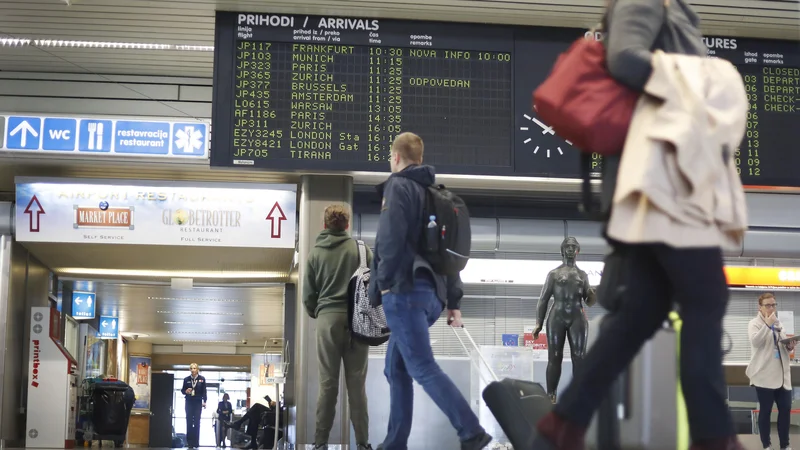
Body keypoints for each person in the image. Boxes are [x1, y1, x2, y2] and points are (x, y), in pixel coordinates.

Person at [533, 0, 747, 449]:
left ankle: (561, 425)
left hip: (658, 187)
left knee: (638, 316)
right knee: (707, 298)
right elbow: (625, 58)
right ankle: (715, 435)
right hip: (663, 186)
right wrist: (699, 78)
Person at [369, 132, 491, 450]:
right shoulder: (434, 195)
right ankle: (394, 443)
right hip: (431, 296)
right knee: (395, 367)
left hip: (405, 290)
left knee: (422, 366)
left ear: (396, 157)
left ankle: (471, 431)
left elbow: (389, 241)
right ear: (420, 159)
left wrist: (382, 285)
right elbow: (447, 255)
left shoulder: (398, 187)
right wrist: (453, 302)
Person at [302, 204, 373, 450]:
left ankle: (320, 443)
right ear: (347, 225)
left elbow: (309, 297)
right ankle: (363, 444)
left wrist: (321, 312)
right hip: (357, 324)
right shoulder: (362, 250)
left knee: (328, 384)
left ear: (324, 224)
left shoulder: (314, 254)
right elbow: (375, 287)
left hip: (327, 321)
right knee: (357, 386)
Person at [532, 237, 596, 403]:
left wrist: (593, 295)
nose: (569, 249)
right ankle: (551, 394)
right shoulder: (554, 274)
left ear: (578, 251)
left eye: (573, 247)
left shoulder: (583, 275)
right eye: (566, 246)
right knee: (554, 356)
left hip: (577, 316)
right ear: (562, 251)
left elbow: (589, 302)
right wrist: (538, 323)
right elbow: (543, 299)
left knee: (579, 356)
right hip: (557, 316)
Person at [746, 293, 795, 450]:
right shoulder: (754, 323)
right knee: (765, 411)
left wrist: (789, 346)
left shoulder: (779, 323)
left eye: (774, 304)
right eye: (768, 305)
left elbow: (780, 345)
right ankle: (766, 445)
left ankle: (784, 445)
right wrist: (767, 324)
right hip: (764, 376)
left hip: (782, 376)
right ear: (760, 307)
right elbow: (755, 341)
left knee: (785, 409)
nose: (772, 308)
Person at [181, 363, 207, 449]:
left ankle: (196, 442)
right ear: (190, 370)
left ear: (197, 369)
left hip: (198, 402)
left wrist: (204, 401)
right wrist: (186, 391)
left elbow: (204, 391)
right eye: (191, 368)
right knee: (189, 422)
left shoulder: (202, 379)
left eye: (195, 368)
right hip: (189, 402)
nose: (193, 370)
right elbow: (182, 390)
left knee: (196, 422)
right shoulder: (186, 379)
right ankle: (189, 443)